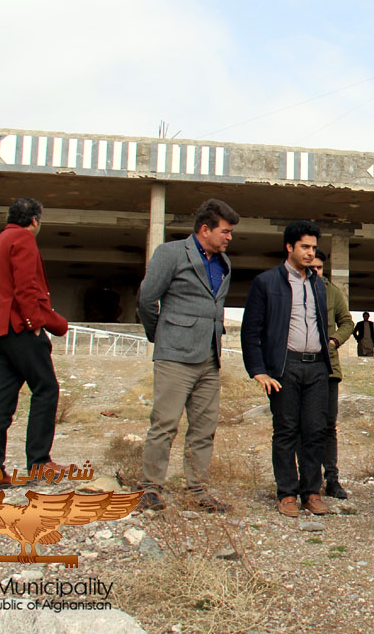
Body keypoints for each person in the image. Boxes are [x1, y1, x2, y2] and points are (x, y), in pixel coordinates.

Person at [136, 199, 239, 513]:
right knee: (165, 424)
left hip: (209, 356)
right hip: (175, 356)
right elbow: (146, 299)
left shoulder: (224, 263)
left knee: (204, 428)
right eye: (225, 231)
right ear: (205, 229)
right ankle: (150, 488)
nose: (229, 237)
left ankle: (197, 491)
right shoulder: (170, 254)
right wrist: (162, 336)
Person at [241, 221, 333, 517]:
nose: (310, 253)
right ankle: (287, 493)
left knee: (316, 430)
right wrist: (258, 370)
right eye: (304, 247)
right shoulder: (267, 282)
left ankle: (311, 491)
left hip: (317, 366)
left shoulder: (318, 283)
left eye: (313, 248)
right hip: (284, 367)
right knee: (286, 431)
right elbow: (250, 330)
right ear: (289, 247)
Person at [0, 197, 70, 491]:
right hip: (19, 327)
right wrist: (34, 324)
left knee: (1, 402)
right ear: (34, 220)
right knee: (46, 389)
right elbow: (26, 286)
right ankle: (40, 463)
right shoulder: (23, 239)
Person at [311, 251, 353, 500]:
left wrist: (335, 340)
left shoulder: (333, 292)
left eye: (319, 267)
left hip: (328, 369)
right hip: (298, 366)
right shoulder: (291, 288)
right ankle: (308, 478)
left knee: (328, 426)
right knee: (303, 426)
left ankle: (332, 479)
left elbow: (347, 322)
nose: (314, 271)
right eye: (311, 266)